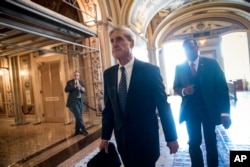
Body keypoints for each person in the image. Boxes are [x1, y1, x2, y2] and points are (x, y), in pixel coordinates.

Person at [99, 25, 179, 167]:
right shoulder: (109, 74)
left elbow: (163, 106)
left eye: (119, 39)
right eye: (112, 41)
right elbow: (109, 109)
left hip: (146, 140)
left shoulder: (150, 71)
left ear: (131, 43)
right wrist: (105, 136)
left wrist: (171, 137)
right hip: (123, 141)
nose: (114, 44)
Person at [173, 39, 231, 167]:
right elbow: (176, 87)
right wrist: (184, 91)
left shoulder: (212, 64)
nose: (189, 50)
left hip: (209, 110)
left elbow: (222, 88)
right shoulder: (180, 68)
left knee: (211, 142)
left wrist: (225, 113)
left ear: (197, 48)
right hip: (190, 112)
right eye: (186, 48)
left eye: (191, 47)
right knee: (193, 143)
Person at [65, 70, 88, 136]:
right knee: (78, 116)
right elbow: (66, 90)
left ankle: (77, 130)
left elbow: (84, 91)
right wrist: (74, 87)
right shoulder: (70, 82)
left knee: (79, 116)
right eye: (75, 75)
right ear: (73, 75)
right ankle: (84, 130)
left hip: (80, 101)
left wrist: (81, 88)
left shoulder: (81, 82)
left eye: (77, 75)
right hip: (73, 102)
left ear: (79, 76)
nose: (76, 76)